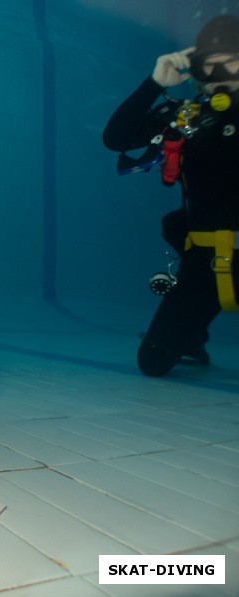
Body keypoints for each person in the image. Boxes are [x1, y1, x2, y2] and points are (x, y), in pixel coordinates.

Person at [103, 15, 239, 377]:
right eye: (211, 67)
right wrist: (154, 83)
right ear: (196, 72)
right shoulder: (184, 118)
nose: (222, 77)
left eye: (233, 64)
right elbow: (116, 139)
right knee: (153, 361)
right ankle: (191, 334)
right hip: (204, 263)